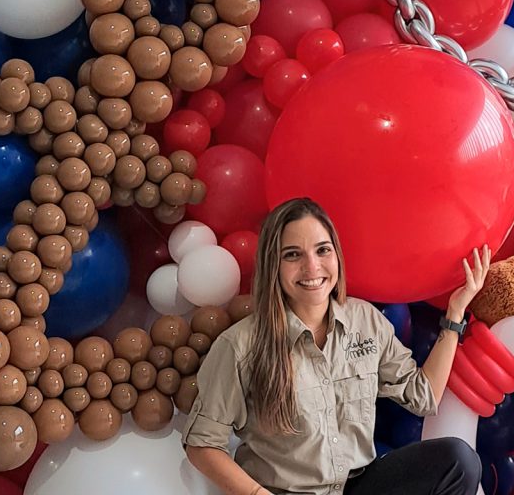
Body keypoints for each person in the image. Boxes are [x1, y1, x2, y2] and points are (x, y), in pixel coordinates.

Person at [183, 197, 489, 495]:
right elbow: (202, 443)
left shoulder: (365, 320)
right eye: (292, 255)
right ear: (272, 264)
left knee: (458, 461)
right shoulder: (240, 346)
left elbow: (423, 396)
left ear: (337, 255)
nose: (311, 266)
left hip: (359, 486)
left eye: (322, 250)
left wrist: (455, 315)